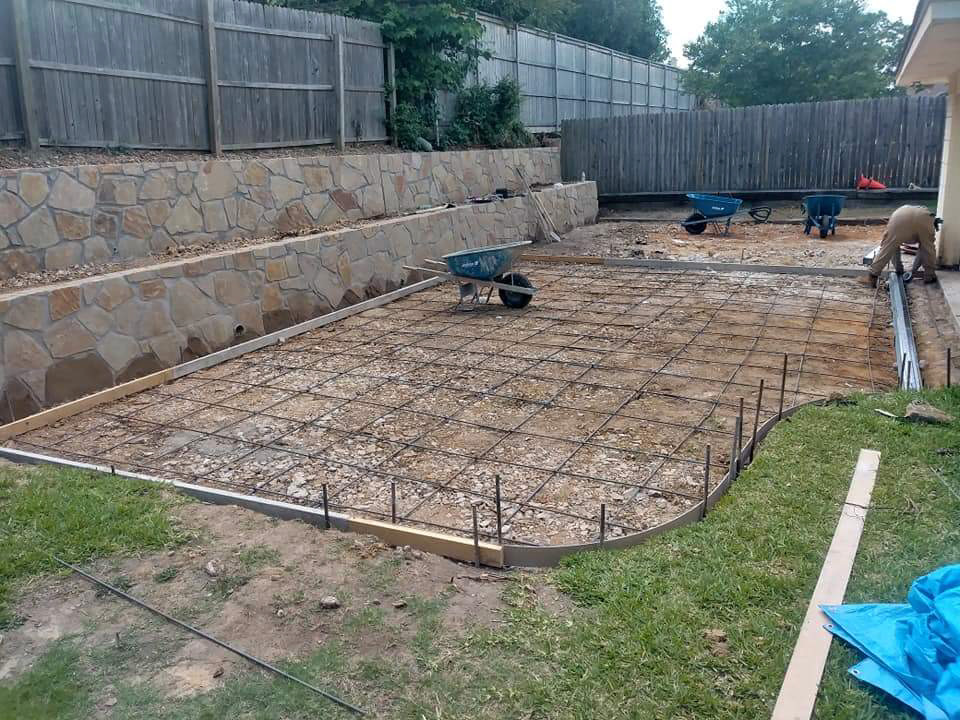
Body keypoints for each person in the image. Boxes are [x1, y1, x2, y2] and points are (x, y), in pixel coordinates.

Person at [865, 205, 941, 286]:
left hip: (899, 217)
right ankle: (929, 276)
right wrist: (914, 271)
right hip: (924, 219)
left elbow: (891, 249)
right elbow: (925, 251)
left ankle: (873, 276)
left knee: (888, 247)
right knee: (928, 248)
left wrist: (899, 269)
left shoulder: (894, 220)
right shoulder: (928, 218)